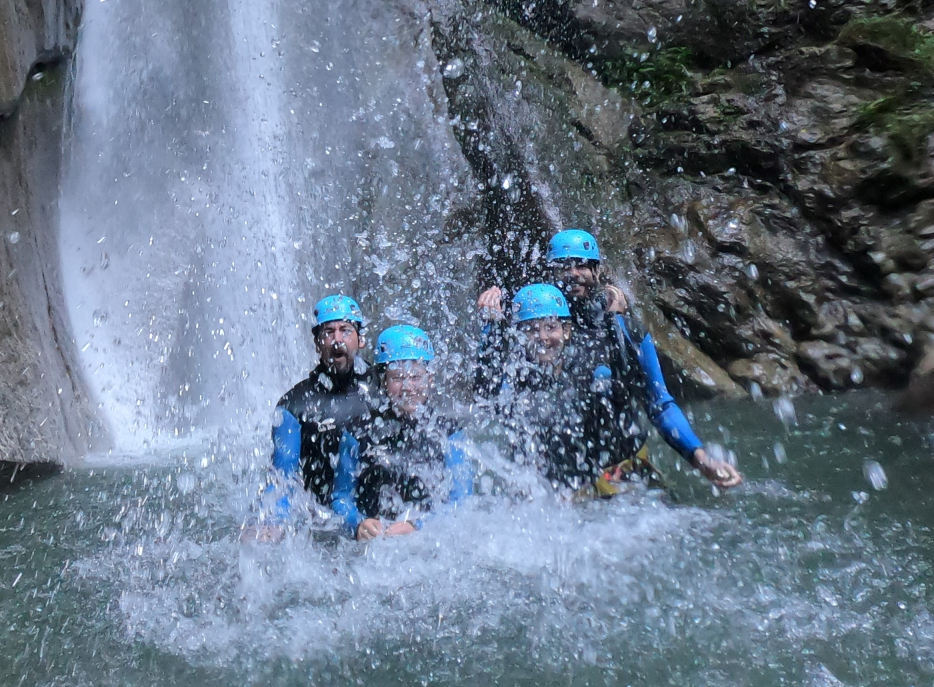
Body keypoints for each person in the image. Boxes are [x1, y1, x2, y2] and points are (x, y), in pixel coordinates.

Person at [479, 230, 743, 491]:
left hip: (624, 478)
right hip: (560, 488)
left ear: (597, 270)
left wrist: (701, 458)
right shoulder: (533, 328)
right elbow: (490, 396)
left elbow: (658, 403)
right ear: (551, 272)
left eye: (582, 265)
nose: (573, 273)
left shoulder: (619, 325)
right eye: (564, 266)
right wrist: (491, 327)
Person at [329, 325, 473, 541]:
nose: (408, 387)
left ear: (430, 379)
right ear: (383, 382)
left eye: (416, 376)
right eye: (397, 377)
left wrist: (418, 525)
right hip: (376, 545)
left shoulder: (449, 432)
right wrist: (357, 523)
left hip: (430, 542)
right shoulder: (358, 432)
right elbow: (340, 498)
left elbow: (461, 501)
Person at [255, 295, 376, 534]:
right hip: (326, 525)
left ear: (361, 339)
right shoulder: (295, 406)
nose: (337, 340)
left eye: (346, 330)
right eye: (328, 332)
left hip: (381, 516)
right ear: (317, 343)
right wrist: (271, 522)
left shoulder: (383, 389)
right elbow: (282, 479)